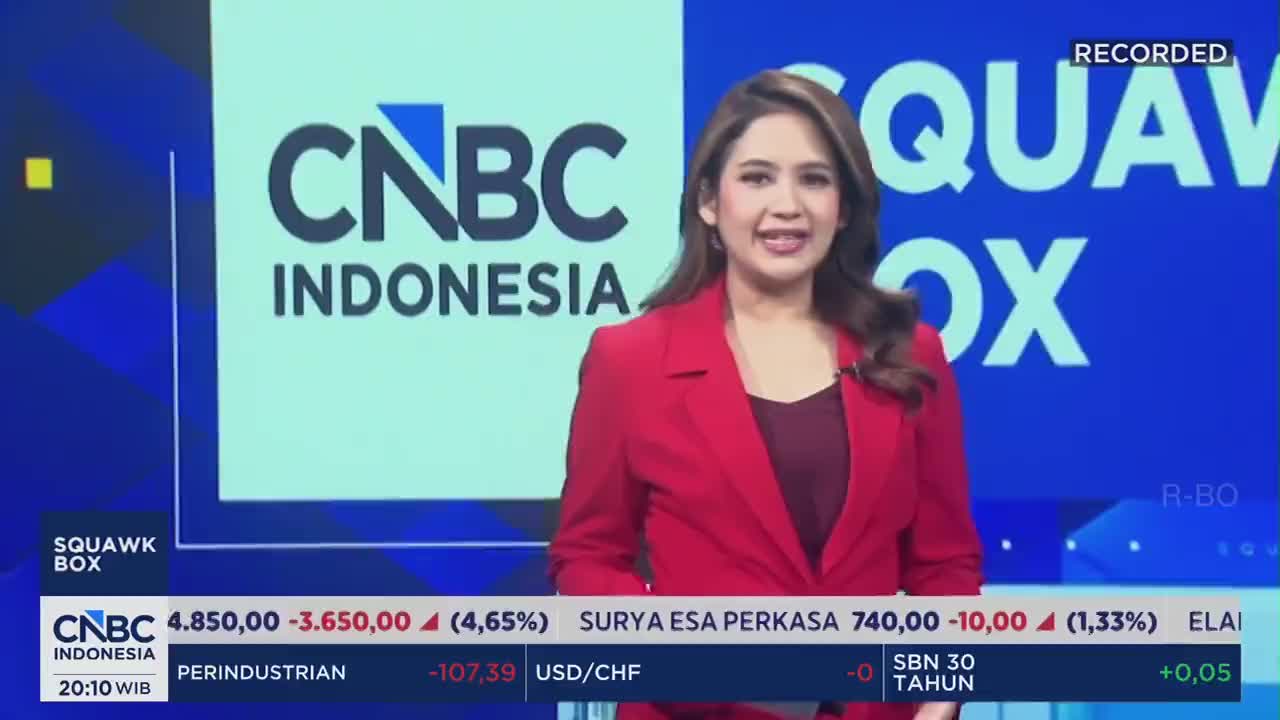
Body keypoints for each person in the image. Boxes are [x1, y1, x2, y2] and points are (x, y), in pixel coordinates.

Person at [548, 69, 983, 720]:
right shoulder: (630, 360)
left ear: (843, 208)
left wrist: (939, 700)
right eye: (757, 177)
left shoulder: (911, 355)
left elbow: (944, 564)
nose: (788, 205)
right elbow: (588, 558)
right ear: (707, 202)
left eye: (814, 179)